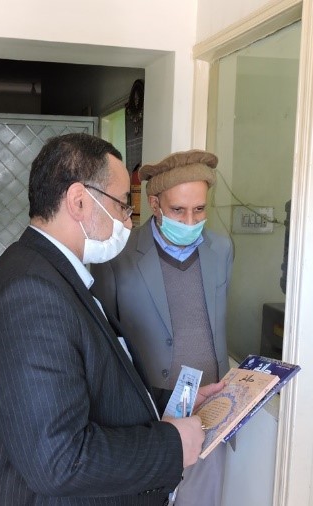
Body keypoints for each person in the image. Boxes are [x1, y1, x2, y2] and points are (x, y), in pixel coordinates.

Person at [0, 133, 222, 505]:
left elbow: (91, 385)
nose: (128, 220)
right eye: (123, 205)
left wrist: (176, 402)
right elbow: (60, 460)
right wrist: (172, 446)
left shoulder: (50, 273)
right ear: (79, 201)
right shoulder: (29, 293)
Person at [91, 149, 234, 506]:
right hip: (148, 411)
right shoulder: (118, 254)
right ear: (155, 204)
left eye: (199, 210)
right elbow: (105, 339)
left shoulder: (221, 249)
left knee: (204, 498)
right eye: (178, 210)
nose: (190, 221)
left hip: (211, 405)